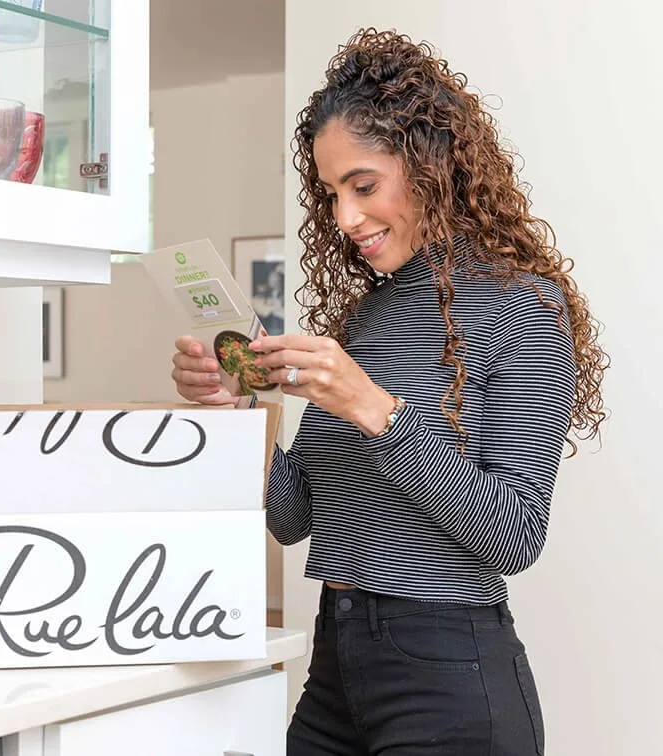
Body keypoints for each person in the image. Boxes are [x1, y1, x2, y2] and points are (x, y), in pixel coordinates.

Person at [170, 27, 608, 756]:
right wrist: (237, 413)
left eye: (364, 186)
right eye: (332, 193)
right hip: (336, 666)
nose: (345, 218)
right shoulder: (365, 319)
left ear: (433, 165)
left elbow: (515, 534)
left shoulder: (524, 307)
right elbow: (293, 517)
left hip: (450, 678)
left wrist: (376, 411)